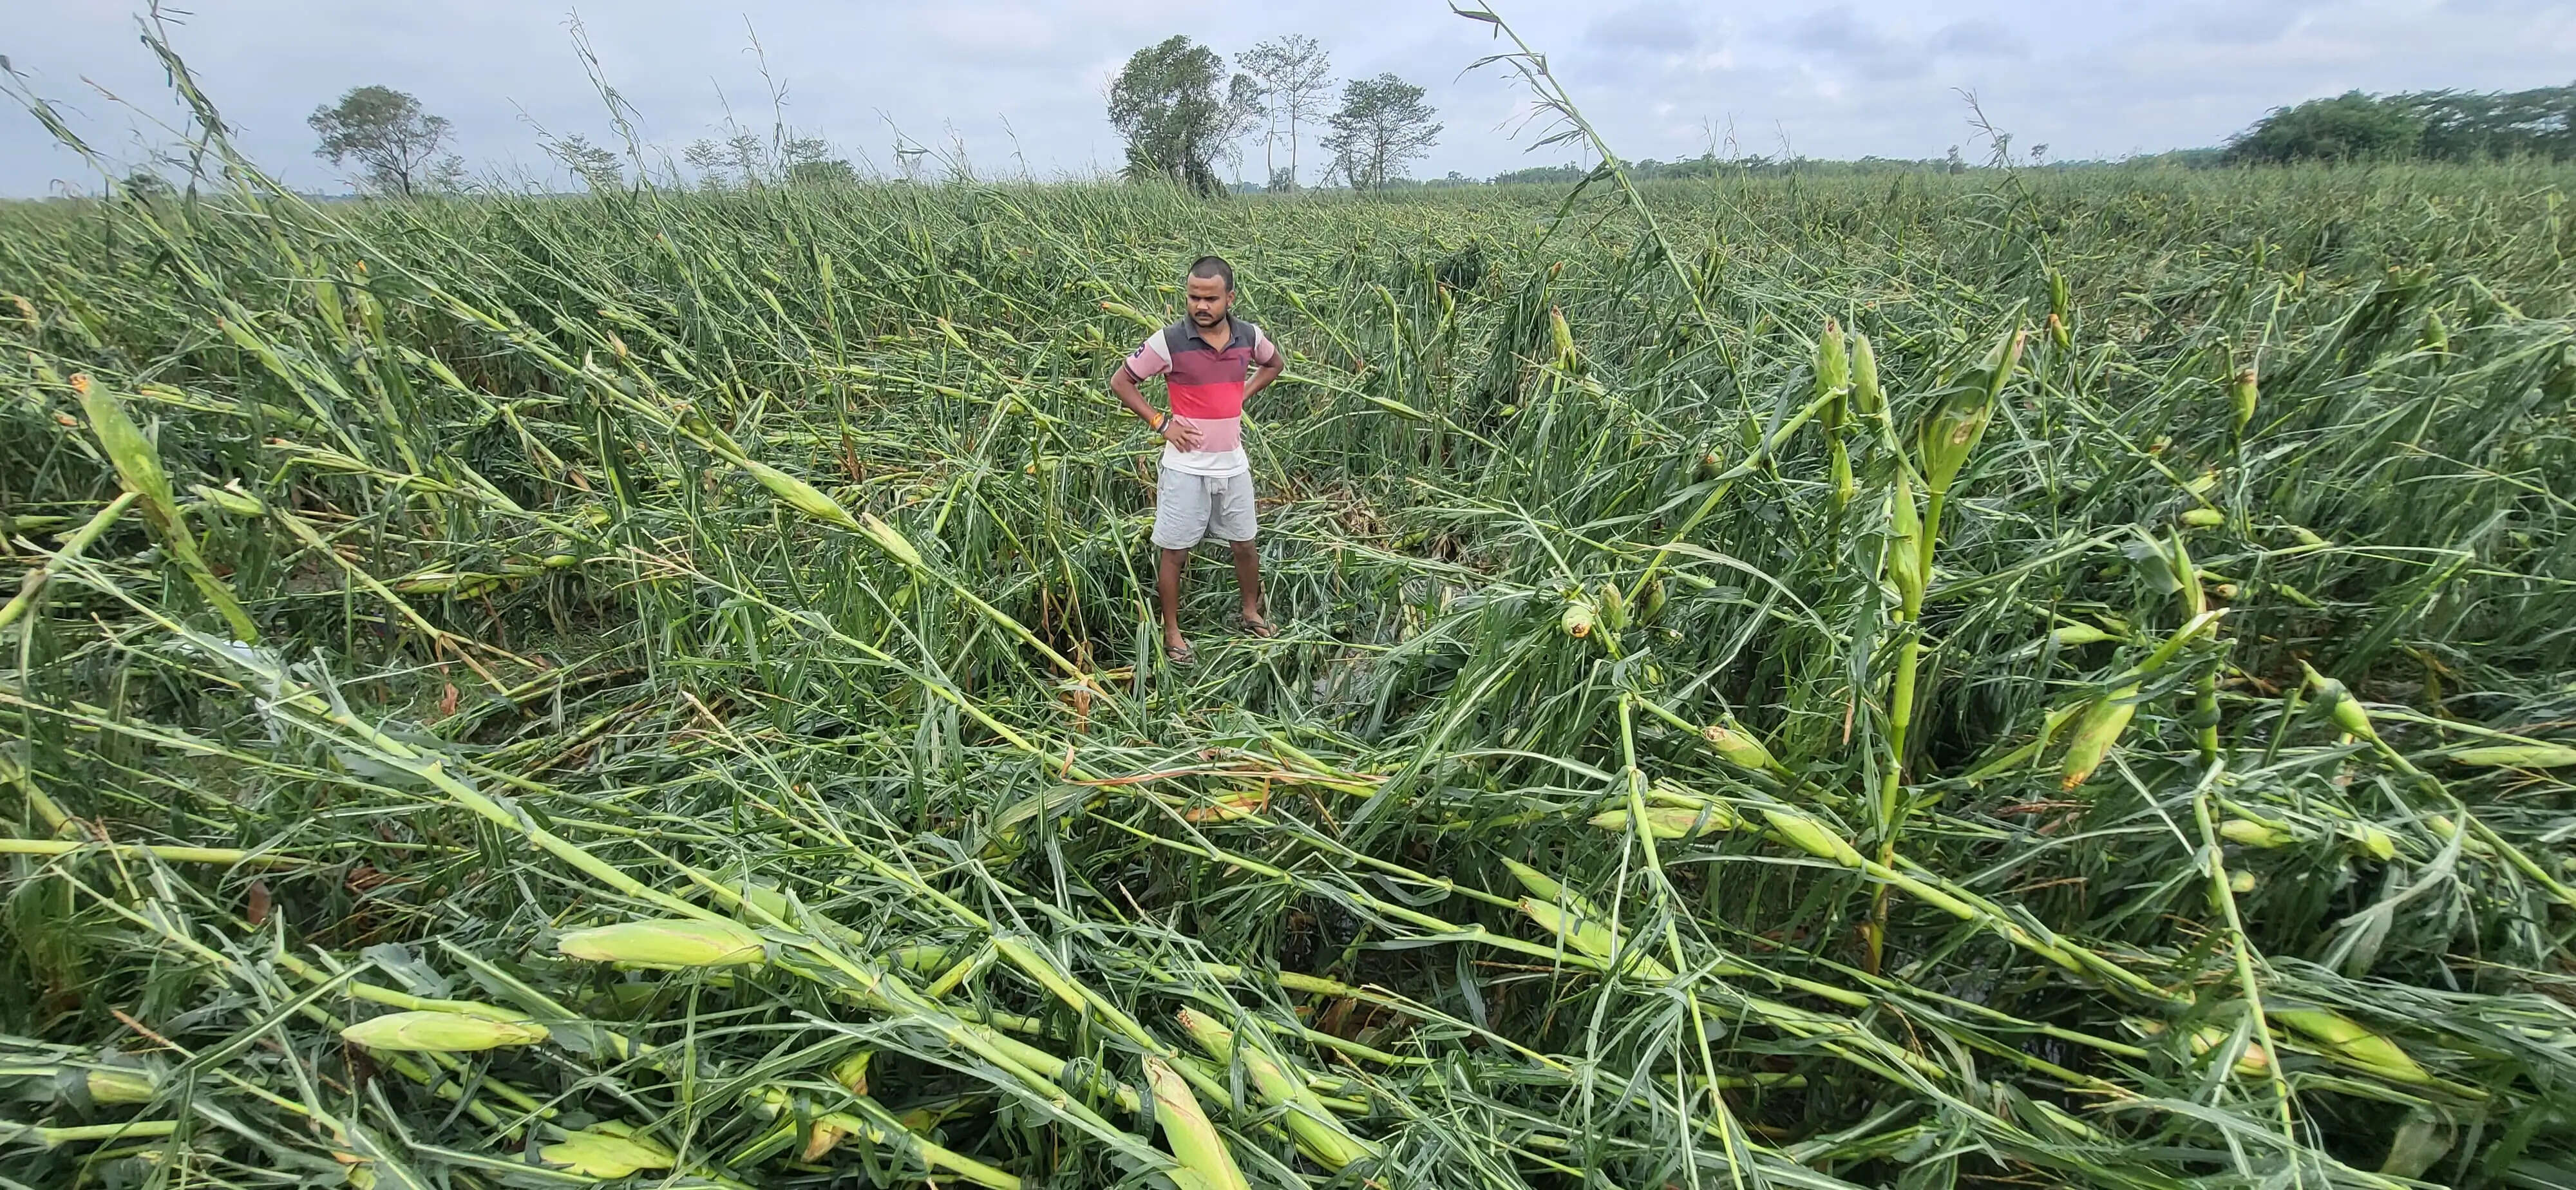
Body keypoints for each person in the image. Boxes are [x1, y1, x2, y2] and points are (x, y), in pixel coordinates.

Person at [1108, 254, 1285, 664]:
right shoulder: (1167, 341)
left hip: (1233, 465)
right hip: (1185, 469)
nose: (1201, 306)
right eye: (1193, 297)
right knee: (1175, 551)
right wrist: (1160, 421)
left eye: (1210, 299)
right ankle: (1172, 632)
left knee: (1244, 544)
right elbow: (1122, 381)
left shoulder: (1249, 337)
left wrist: (1241, 395)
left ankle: (1250, 613)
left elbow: (1274, 364)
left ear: (1230, 298)